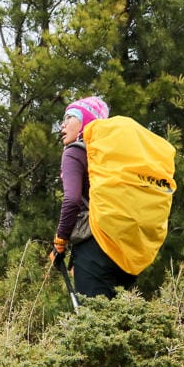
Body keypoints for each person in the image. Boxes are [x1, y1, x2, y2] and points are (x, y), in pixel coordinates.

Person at [50, 96, 137, 299]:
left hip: (93, 247)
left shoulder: (74, 152)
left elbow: (71, 201)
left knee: (92, 320)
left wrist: (60, 242)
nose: (62, 124)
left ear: (86, 123)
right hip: (124, 247)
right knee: (122, 320)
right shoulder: (114, 157)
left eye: (70, 117)